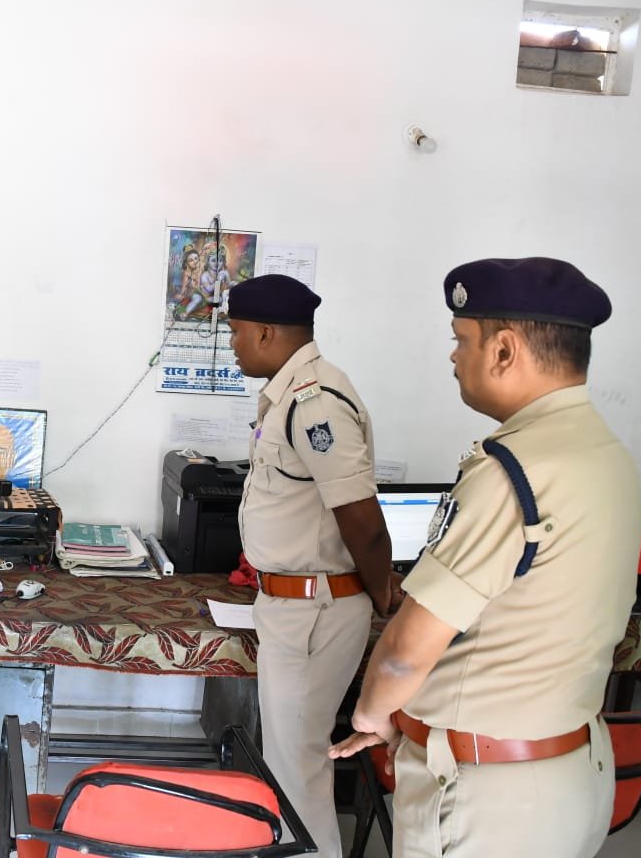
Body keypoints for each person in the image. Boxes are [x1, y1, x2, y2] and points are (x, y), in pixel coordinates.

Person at [329, 257, 639, 858]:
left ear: (503, 350)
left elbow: (406, 651)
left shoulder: (512, 472)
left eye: (461, 339)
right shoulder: (607, 454)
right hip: (572, 769)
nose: (453, 356)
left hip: (491, 796)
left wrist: (372, 716)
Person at [226, 273, 395, 858]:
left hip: (314, 608)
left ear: (266, 332)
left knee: (297, 767)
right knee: (289, 762)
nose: (233, 344)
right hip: (295, 604)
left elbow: (363, 521)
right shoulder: (289, 396)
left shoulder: (315, 403)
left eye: (236, 332)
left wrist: (382, 596)